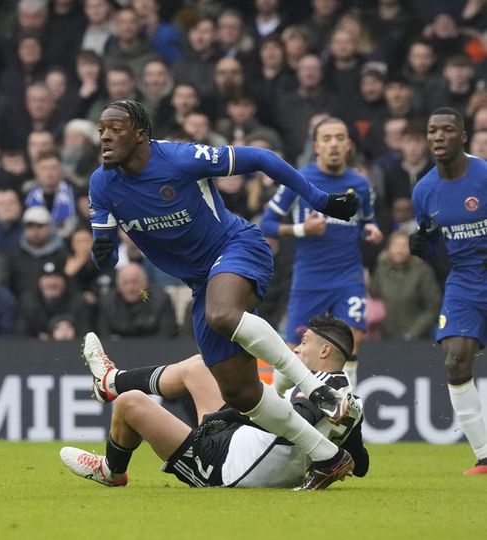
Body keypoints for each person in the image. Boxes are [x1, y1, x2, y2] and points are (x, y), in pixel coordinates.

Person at [88, 99, 360, 489]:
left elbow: (262, 158)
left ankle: (317, 389)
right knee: (241, 392)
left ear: (141, 134)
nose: (105, 136)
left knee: (222, 313)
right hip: (201, 283)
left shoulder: (181, 158)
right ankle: (328, 456)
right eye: (101, 130)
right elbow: (106, 252)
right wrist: (103, 252)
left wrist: (320, 200)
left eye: (115, 128)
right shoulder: (101, 183)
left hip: (236, 247)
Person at [61, 315, 368, 489]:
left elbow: (298, 416)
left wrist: (231, 415)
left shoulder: (323, 391)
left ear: (325, 352)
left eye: (304, 343)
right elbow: (361, 463)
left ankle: (111, 471)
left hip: (224, 468)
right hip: (237, 442)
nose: (296, 351)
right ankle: (110, 381)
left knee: (131, 404)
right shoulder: (349, 401)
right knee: (198, 366)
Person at [260, 117, 382, 389]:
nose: (334, 144)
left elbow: (365, 220)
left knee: (353, 338)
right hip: (310, 277)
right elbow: (267, 223)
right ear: (316, 146)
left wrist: (370, 229)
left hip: (348, 275)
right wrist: (303, 229)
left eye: (340, 138)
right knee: (295, 350)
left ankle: (345, 408)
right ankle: (277, 407)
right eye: (327, 139)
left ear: (349, 145)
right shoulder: (299, 178)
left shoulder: (360, 184)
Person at [409, 107, 487, 475]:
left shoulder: (484, 176)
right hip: (464, 279)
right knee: (455, 358)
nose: (438, 136)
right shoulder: (424, 191)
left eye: (447, 130)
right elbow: (433, 245)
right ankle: (485, 456)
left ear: (463, 136)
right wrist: (422, 248)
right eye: (432, 131)